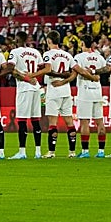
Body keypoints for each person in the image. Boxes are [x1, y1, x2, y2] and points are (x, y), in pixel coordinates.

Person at [8, 32, 45, 159]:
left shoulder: (15, 52)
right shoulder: (35, 52)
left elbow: (10, 69)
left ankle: (22, 152)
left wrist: (26, 78)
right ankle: (38, 152)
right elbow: (42, 69)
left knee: (22, 120)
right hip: (36, 88)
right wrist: (34, 78)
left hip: (24, 88)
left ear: (17, 39)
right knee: (35, 121)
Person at [42, 30, 78, 159]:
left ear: (49, 41)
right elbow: (75, 72)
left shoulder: (48, 54)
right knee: (69, 121)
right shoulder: (67, 55)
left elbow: (48, 70)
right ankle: (72, 152)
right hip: (66, 91)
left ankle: (51, 152)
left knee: (53, 122)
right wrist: (65, 80)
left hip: (54, 90)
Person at [71, 36, 107, 159]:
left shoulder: (79, 57)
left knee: (84, 122)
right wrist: (95, 75)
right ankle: (101, 151)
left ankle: (85, 151)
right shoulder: (100, 57)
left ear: (82, 44)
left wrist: (90, 75)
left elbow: (79, 71)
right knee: (99, 121)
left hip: (85, 93)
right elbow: (104, 71)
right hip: (97, 92)